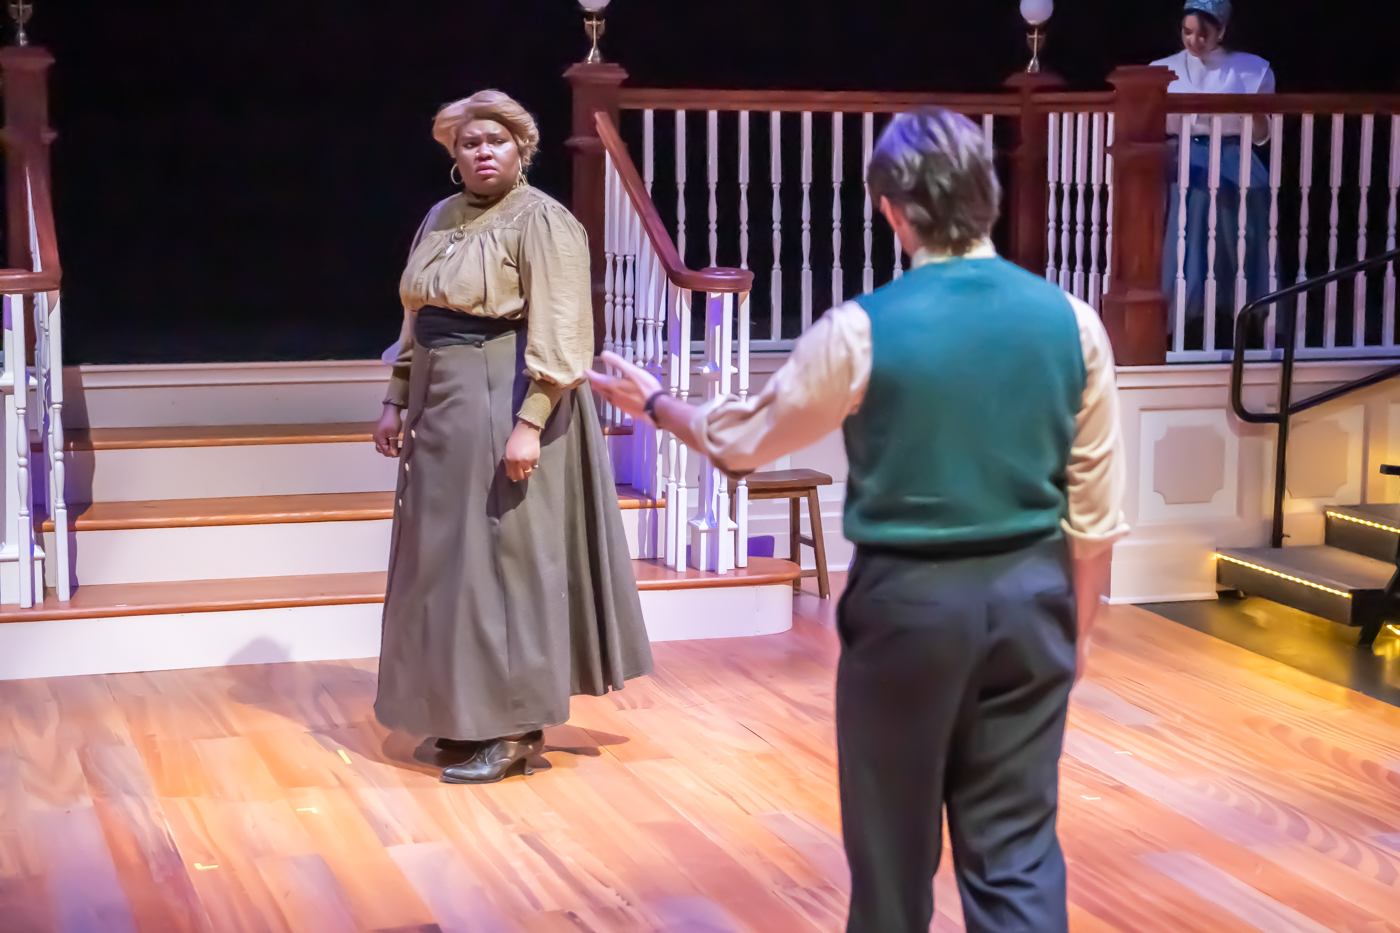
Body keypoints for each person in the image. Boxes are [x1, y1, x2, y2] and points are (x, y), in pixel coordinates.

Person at [590, 109, 1127, 933]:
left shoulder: (861, 328)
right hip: (1032, 603)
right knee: (1017, 855)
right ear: (987, 197)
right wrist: (1077, 631)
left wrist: (657, 403)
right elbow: (1095, 512)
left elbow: (745, 441)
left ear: (891, 210)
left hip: (910, 608)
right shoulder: (1076, 322)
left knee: (891, 858)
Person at [371, 90, 652, 785]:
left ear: (521, 149)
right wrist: (396, 396)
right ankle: (466, 711)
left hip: (504, 393)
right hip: (441, 398)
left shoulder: (542, 219)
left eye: (496, 140)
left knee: (504, 561)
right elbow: (416, 316)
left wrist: (531, 422)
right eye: (469, 143)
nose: (483, 152)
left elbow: (562, 327)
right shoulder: (440, 217)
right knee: (447, 563)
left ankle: (516, 726)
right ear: (454, 154)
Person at [1153, 0, 1275, 349]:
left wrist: (1250, 109)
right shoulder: (1162, 70)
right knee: (1189, 205)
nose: (1194, 41)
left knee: (1243, 205)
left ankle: (1244, 312)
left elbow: (1263, 136)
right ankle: (1182, 313)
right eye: (1187, 32)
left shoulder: (1252, 70)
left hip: (1234, 155)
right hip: (1183, 158)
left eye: (1203, 33)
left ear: (1221, 31)